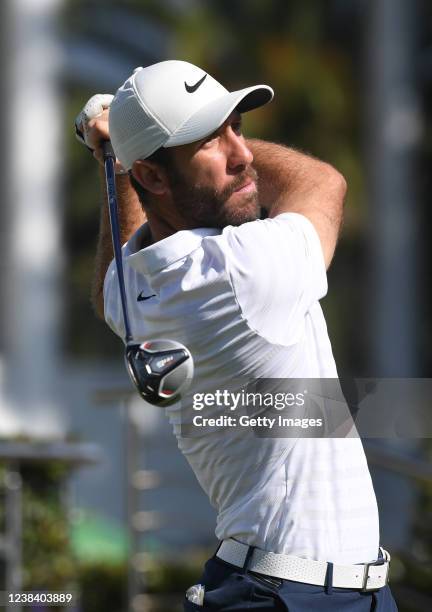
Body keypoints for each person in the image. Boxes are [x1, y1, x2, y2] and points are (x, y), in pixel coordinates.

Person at [75, 60, 398, 611]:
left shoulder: (133, 290)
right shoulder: (242, 269)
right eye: (210, 142)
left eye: (238, 128)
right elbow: (324, 182)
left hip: (298, 589)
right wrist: (119, 147)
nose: (243, 154)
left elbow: (118, 261)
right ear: (152, 177)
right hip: (291, 597)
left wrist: (119, 156)